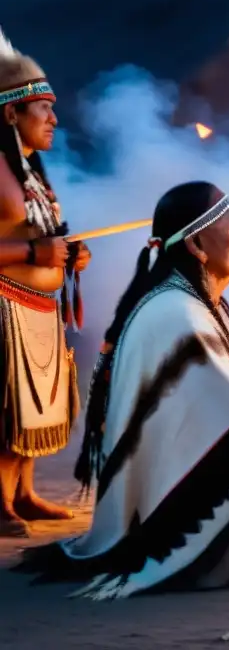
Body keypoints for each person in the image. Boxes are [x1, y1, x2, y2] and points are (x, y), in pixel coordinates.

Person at [15, 182, 229, 598]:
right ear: (199, 244)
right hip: (163, 505)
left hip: (185, 467)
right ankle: (216, 559)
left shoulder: (204, 303)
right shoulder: (176, 312)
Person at [0, 27, 91, 537]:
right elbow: (27, 242)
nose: (54, 119)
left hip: (38, 308)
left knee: (32, 412)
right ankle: (0, 502)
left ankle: (24, 493)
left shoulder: (31, 173)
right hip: (5, 308)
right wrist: (34, 251)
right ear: (10, 114)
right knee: (6, 409)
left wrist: (67, 256)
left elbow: (43, 234)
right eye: (44, 109)